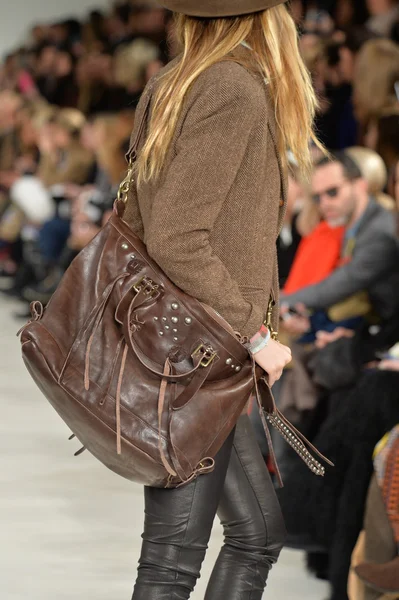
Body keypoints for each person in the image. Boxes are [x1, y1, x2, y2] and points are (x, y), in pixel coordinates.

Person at [122, 0, 321, 598]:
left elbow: (140, 216)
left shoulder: (176, 81)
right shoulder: (232, 88)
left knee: (256, 535)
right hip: (200, 356)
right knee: (172, 564)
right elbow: (177, 235)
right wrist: (255, 336)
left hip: (191, 350)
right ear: (266, 18)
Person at [281, 151, 398, 333]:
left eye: (332, 192)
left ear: (360, 185)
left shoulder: (379, 230)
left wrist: (281, 301)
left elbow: (340, 284)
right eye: (317, 197)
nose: (324, 203)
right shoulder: (346, 225)